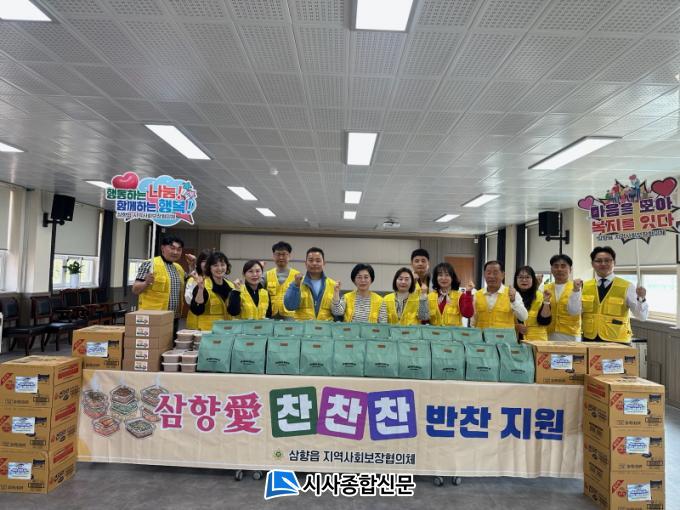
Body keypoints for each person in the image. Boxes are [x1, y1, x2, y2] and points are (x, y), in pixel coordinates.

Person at [570, 246, 647, 343]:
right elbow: (573, 312)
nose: (603, 264)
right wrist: (575, 291)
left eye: (607, 260)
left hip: (618, 341)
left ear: (614, 263)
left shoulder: (627, 286)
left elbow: (641, 316)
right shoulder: (584, 286)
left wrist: (641, 298)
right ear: (592, 264)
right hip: (589, 339)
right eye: (598, 261)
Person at [132, 235, 195, 333]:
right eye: (172, 248)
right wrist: (146, 282)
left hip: (174, 317)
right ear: (162, 248)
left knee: (171, 341)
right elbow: (135, 290)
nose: (175, 252)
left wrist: (192, 265)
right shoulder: (150, 264)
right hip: (153, 316)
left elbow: (190, 282)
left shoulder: (178, 268)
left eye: (179, 249)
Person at [283, 247, 337, 321]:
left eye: (318, 261)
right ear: (305, 263)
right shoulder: (297, 283)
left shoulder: (333, 285)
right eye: (311, 260)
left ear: (324, 263)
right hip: (302, 327)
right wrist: (296, 286)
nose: (314, 263)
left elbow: (337, 312)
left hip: (325, 327)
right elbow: (290, 306)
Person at [472, 260, 528, 329]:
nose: (491, 276)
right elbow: (473, 320)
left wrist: (513, 301)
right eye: (488, 273)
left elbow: (523, 317)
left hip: (505, 336)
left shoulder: (512, 293)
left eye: (495, 273)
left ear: (503, 275)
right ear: (484, 275)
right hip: (482, 335)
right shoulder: (477, 295)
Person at [189, 251, 234, 331]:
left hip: (226, 331)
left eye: (222, 265)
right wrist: (200, 289)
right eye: (215, 265)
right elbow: (196, 310)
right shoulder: (203, 284)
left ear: (227, 266)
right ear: (209, 267)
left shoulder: (231, 285)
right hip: (207, 332)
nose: (219, 268)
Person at [544, 254, 581, 341]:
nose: (559, 269)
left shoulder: (577, 288)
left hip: (571, 335)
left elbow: (577, 311)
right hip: (548, 334)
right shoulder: (544, 288)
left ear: (570, 269)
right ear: (551, 269)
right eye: (556, 266)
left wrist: (576, 290)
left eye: (563, 266)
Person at [513, 265, 551, 341]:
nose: (524, 280)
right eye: (520, 277)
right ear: (516, 279)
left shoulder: (540, 296)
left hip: (537, 340)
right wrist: (515, 326)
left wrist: (546, 302)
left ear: (533, 279)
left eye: (527, 277)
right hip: (514, 340)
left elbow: (544, 321)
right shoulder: (511, 296)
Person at [265, 241, 300, 320]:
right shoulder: (266, 275)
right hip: (270, 317)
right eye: (278, 254)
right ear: (273, 256)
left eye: (284, 254)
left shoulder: (298, 276)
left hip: (291, 318)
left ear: (289, 256)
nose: (281, 257)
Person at [185, 249, 213, 330]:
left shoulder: (218, 280)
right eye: (204, 261)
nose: (207, 264)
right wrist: (196, 283)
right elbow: (188, 300)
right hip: (194, 324)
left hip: (211, 325)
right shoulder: (193, 279)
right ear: (199, 263)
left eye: (210, 261)